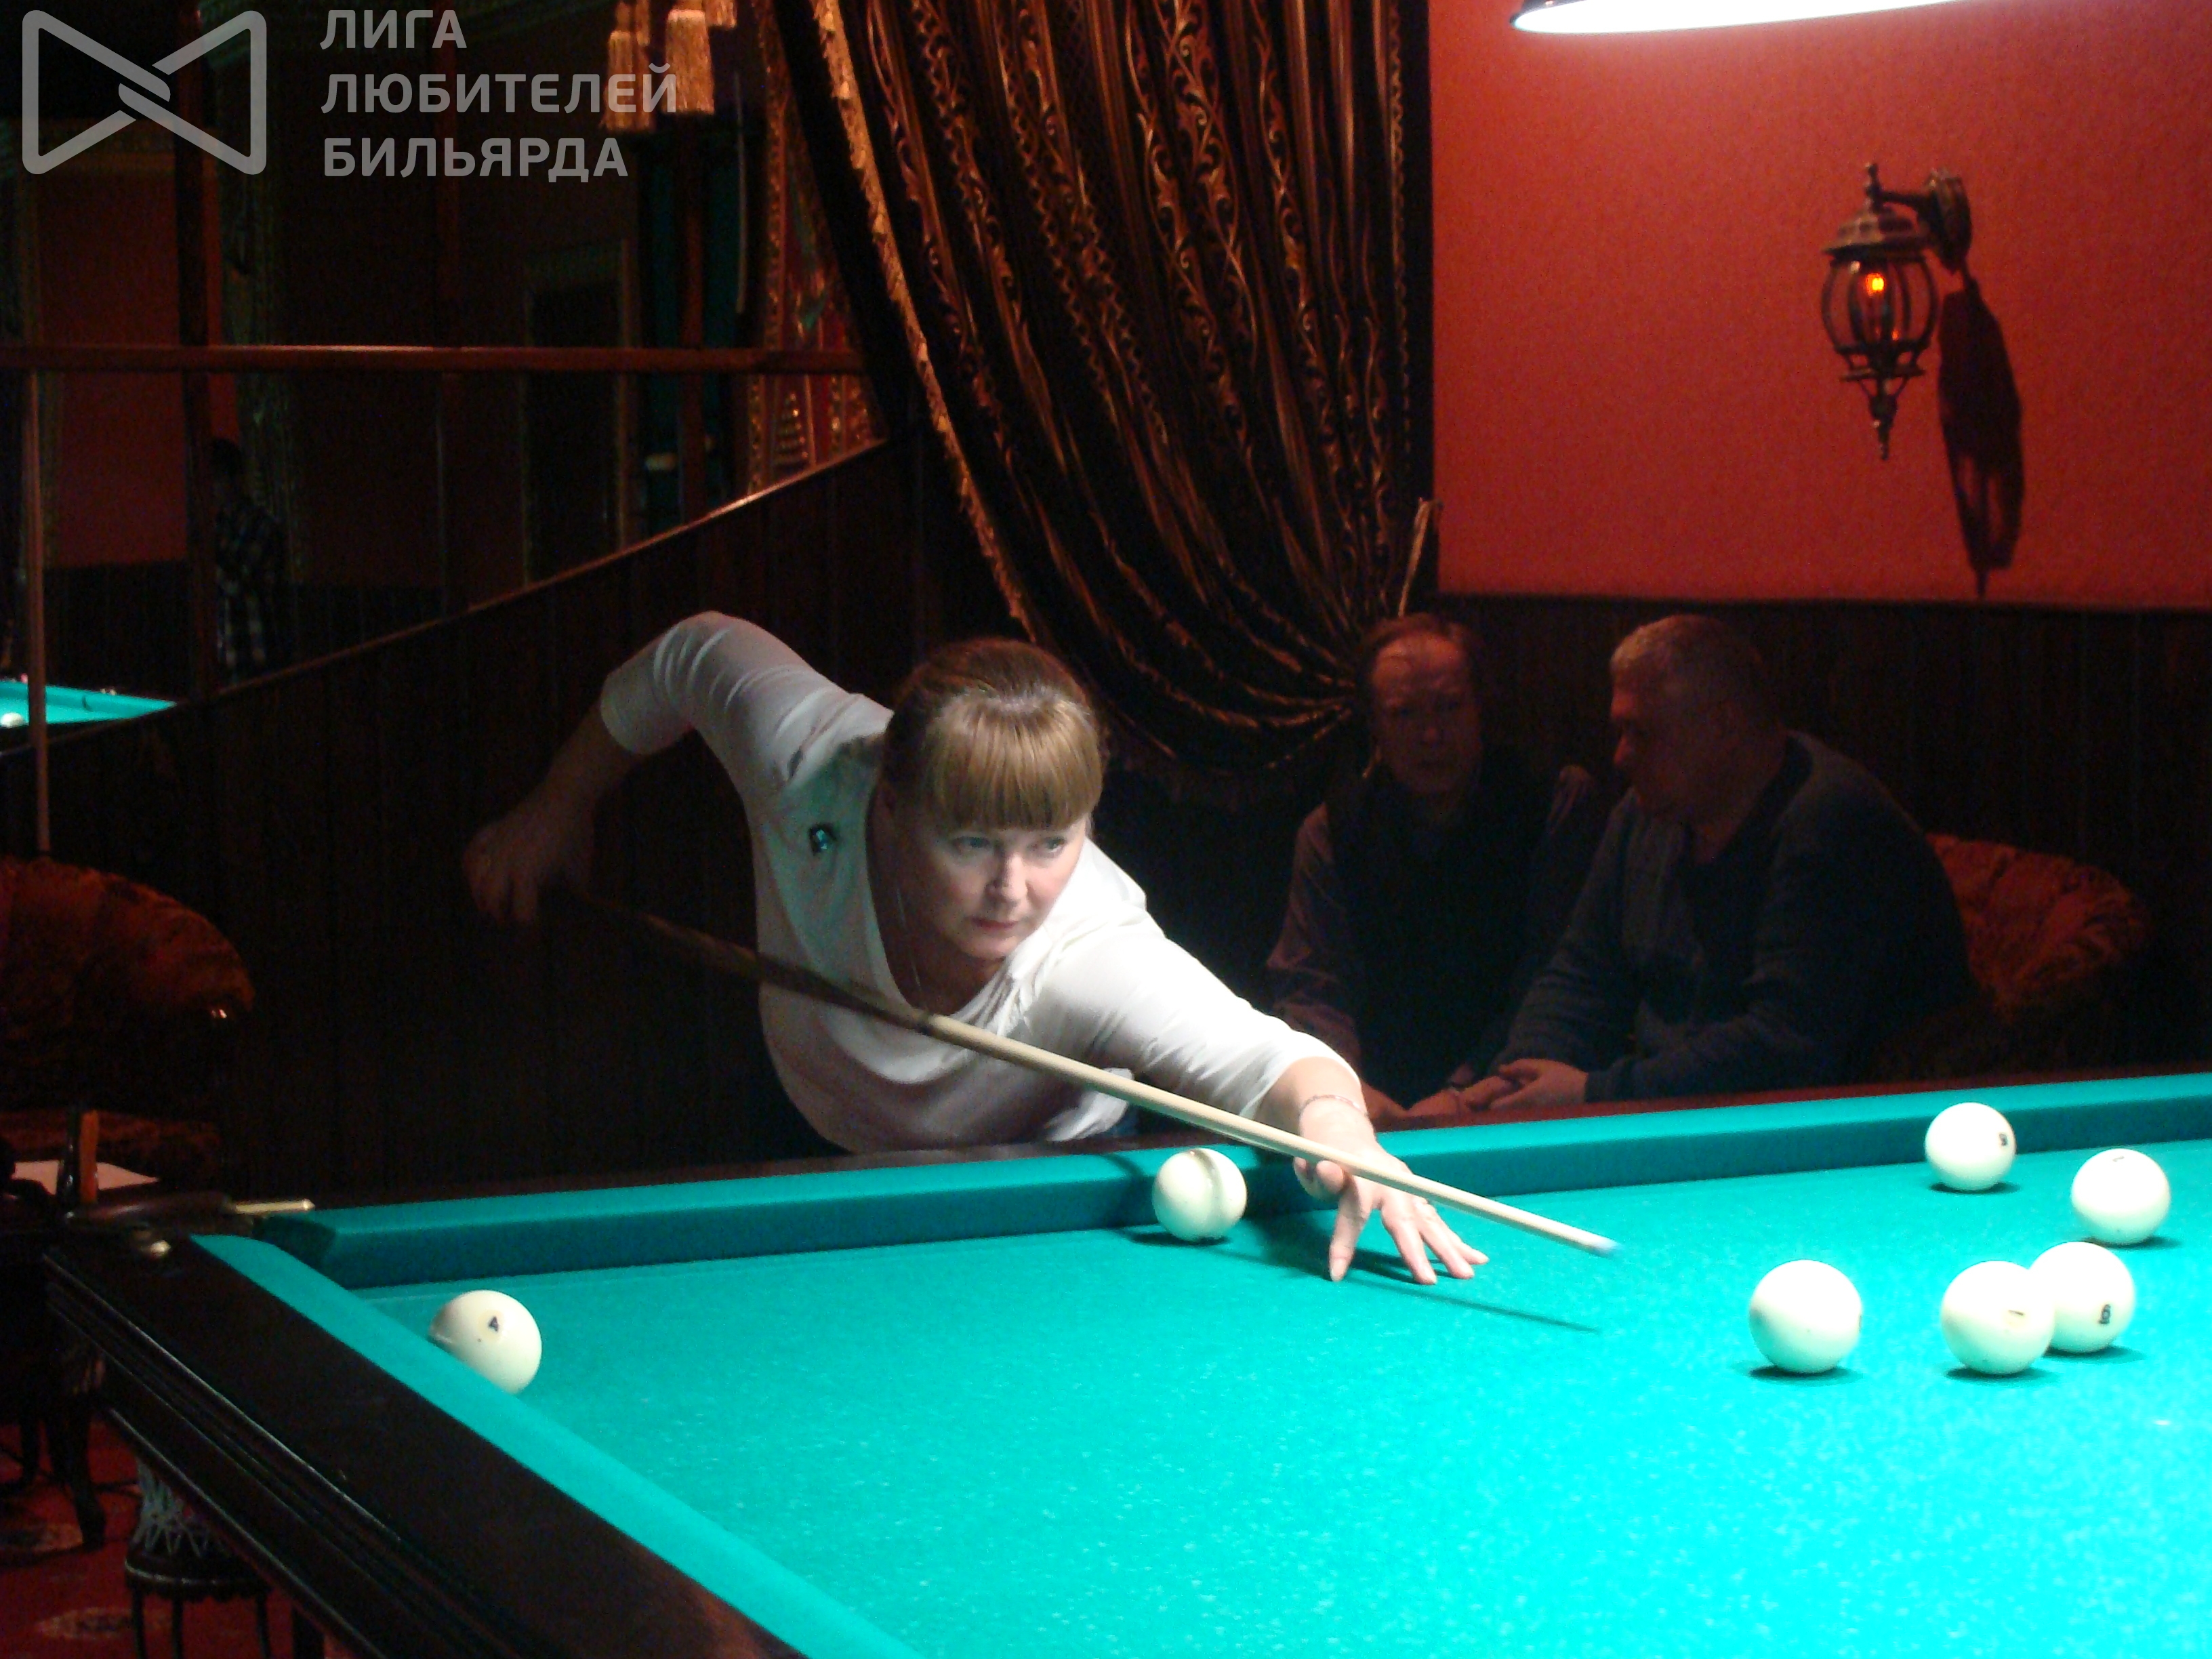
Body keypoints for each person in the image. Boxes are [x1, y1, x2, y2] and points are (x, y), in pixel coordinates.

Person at [467, 614, 1481, 1286]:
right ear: (891, 805)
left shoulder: (1087, 949)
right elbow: (690, 655)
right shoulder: (809, 761)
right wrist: (557, 806)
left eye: (1050, 843)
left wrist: (1339, 1129)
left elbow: (1266, 1058)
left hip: (1048, 1189)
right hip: (816, 1132)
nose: (1013, 890)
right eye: (969, 844)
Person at [1464, 614, 1972, 1111]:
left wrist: (1596, 1093)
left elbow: (1785, 1044)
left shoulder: (1832, 822)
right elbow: (1583, 975)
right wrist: (1519, 1079)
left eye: (1641, 733)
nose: (1620, 757)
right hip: (1673, 1110)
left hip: (1833, 1131)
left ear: (1724, 726)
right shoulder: (1644, 815)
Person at [1268, 615, 1603, 1118]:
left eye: (1450, 707)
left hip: (1511, 1089)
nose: (1430, 735)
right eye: (1404, 714)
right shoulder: (1331, 830)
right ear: (1374, 726)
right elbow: (1311, 981)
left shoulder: (1553, 800)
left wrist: (1468, 1087)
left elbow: (1556, 972)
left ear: (1481, 707)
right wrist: (1343, 1086)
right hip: (1371, 1098)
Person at [209, 438, 291, 684]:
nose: (211, 487)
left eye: (217, 478)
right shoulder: (219, 527)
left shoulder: (261, 525)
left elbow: (235, 585)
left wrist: (205, 549)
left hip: (258, 657)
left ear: (236, 479)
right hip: (228, 658)